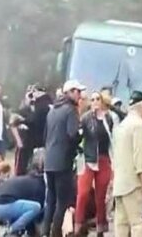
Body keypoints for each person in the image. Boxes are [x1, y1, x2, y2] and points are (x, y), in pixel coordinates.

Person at [43, 80, 86, 237]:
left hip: (49, 162)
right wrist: (82, 133)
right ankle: (55, 234)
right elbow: (73, 134)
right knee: (62, 202)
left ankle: (45, 232)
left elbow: (45, 136)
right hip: (63, 163)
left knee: (51, 201)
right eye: (78, 92)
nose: (80, 95)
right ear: (70, 92)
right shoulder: (70, 110)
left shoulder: (52, 110)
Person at [112, 91, 142, 237]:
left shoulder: (121, 126)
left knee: (121, 226)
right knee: (139, 225)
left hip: (120, 184)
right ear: (141, 106)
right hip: (134, 185)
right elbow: (139, 157)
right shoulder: (139, 126)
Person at [74, 91, 115, 236]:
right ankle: (77, 227)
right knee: (83, 193)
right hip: (88, 158)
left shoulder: (108, 118)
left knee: (101, 195)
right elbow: (77, 137)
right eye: (93, 99)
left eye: (98, 99)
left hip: (104, 158)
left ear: (103, 101)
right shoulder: (86, 118)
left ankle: (100, 228)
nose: (95, 101)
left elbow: (112, 139)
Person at [0, 151, 46, 237]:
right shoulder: (39, 185)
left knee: (27, 208)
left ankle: (14, 230)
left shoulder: (23, 180)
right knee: (36, 207)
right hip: (1, 206)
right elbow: (38, 213)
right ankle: (11, 231)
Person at [12, 85, 52, 176]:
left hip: (34, 143)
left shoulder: (41, 108)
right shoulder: (23, 109)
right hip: (24, 143)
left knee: (33, 167)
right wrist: (18, 141)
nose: (32, 97)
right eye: (30, 94)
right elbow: (13, 124)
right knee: (20, 168)